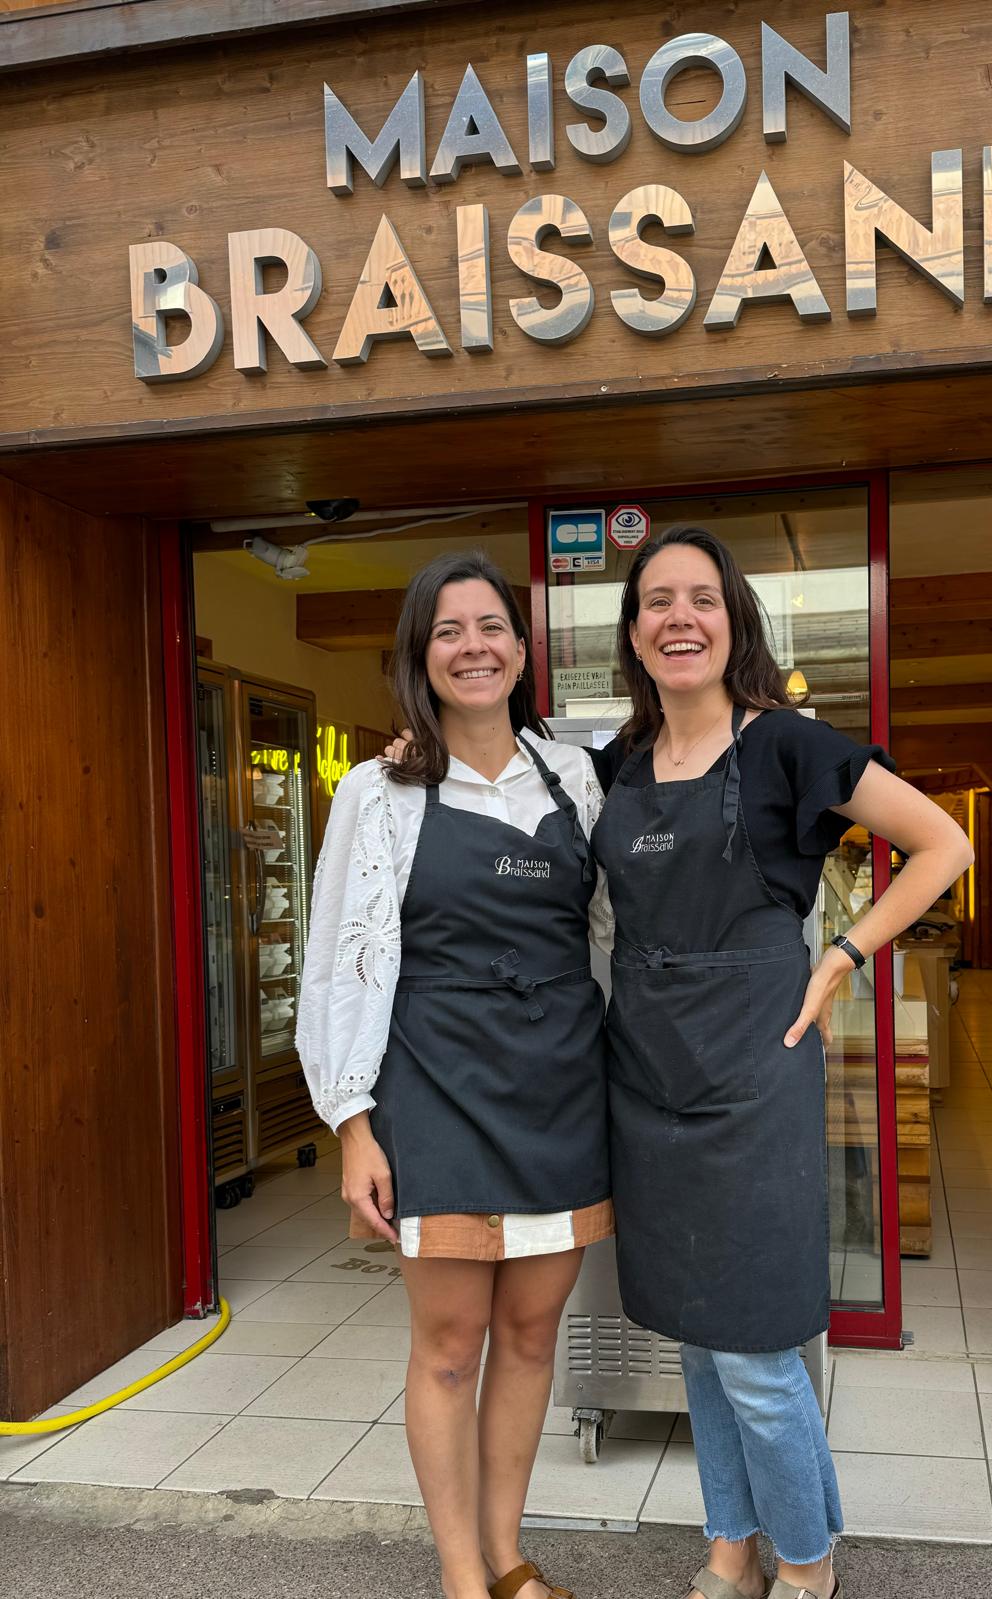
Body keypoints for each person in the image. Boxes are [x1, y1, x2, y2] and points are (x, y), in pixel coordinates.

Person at [592, 526, 974, 1599]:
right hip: (647, 1077)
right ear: (633, 632)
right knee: (699, 1341)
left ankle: (806, 1564)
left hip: (756, 1073)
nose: (680, 618)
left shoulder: (787, 746)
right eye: (657, 601)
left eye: (701, 599)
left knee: (756, 1345)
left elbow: (946, 844)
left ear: (733, 620)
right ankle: (730, 1546)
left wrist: (848, 953)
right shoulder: (617, 765)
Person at [297, 551, 612, 1599]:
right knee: (449, 1342)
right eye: (448, 631)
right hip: (435, 1088)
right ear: (421, 659)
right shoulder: (377, 791)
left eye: (490, 628)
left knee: (530, 1335)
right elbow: (339, 958)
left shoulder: (575, 777)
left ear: (523, 651)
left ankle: (510, 1556)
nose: (473, 647)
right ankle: (461, 1576)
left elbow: (611, 930)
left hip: (565, 1089)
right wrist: (350, 1122)